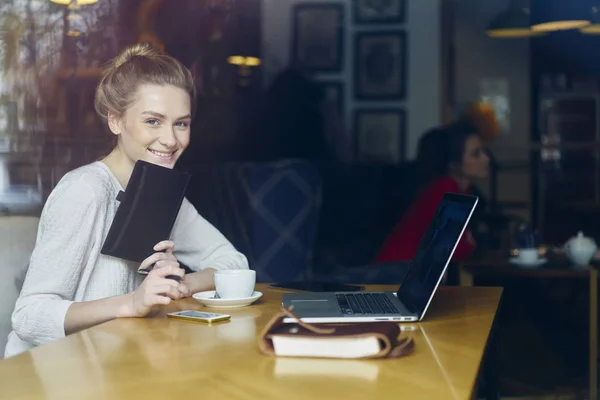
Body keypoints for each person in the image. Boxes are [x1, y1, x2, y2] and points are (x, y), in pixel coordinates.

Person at [5, 43, 249, 358]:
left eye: (181, 123)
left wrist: (179, 284)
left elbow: (234, 265)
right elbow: (29, 315)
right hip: (47, 373)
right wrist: (133, 302)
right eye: (153, 121)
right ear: (116, 121)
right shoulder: (84, 192)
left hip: (116, 365)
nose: (171, 139)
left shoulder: (161, 191)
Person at [374, 120, 489, 263]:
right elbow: (453, 249)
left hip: (414, 272)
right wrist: (469, 242)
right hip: (397, 272)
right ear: (454, 164)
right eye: (476, 154)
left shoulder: (464, 191)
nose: (486, 159)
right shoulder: (446, 188)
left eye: (483, 152)